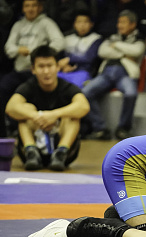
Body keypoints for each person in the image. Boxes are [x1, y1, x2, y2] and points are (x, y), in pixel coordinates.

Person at [5, 45, 90, 171]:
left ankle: (61, 153)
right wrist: (38, 116)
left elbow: (84, 106)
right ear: (33, 69)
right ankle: (31, 151)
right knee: (26, 109)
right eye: (41, 66)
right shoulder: (28, 86)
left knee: (72, 115)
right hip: (31, 152)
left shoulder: (67, 87)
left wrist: (54, 115)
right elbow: (10, 107)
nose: (46, 71)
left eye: (49, 66)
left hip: (63, 149)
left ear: (57, 67)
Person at [1, 0, 65, 138]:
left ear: (40, 7)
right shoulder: (18, 25)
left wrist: (40, 54)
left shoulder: (47, 23)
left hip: (38, 72)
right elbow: (8, 48)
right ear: (23, 9)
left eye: (34, 5)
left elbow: (59, 42)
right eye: (27, 6)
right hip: (19, 70)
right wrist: (18, 50)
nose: (30, 9)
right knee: (3, 87)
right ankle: (8, 126)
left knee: (32, 97)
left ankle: (37, 127)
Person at [81, 9, 145, 141]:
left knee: (131, 94)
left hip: (125, 73)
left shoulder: (139, 39)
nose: (119, 25)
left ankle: (123, 129)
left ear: (133, 24)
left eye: (123, 22)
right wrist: (124, 54)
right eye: (119, 22)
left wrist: (116, 46)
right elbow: (102, 51)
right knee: (85, 93)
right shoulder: (112, 37)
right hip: (106, 73)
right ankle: (100, 128)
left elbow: (137, 51)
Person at [57, 11, 103, 89]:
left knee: (73, 89)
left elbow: (89, 58)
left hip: (83, 72)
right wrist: (64, 66)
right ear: (74, 24)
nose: (82, 25)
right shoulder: (67, 39)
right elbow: (60, 57)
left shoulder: (96, 39)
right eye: (79, 22)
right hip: (64, 71)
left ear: (91, 24)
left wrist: (69, 59)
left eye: (85, 22)